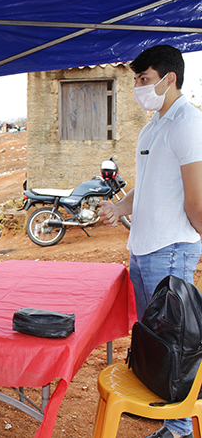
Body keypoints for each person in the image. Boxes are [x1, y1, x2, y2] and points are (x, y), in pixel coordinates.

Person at [99, 45, 202, 438]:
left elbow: (195, 200)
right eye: (137, 81)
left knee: (175, 345)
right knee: (154, 343)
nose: (139, 87)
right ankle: (166, 415)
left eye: (143, 79)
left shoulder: (188, 124)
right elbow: (148, 188)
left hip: (172, 251)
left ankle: (177, 427)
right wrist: (121, 207)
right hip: (143, 252)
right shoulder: (153, 126)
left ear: (168, 78)